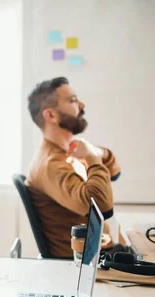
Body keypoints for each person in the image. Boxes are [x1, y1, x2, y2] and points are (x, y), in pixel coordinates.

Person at [26, 77, 121, 258]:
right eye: (72, 100)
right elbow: (101, 206)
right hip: (88, 266)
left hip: (99, 256)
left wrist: (95, 152)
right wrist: (91, 156)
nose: (82, 105)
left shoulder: (67, 153)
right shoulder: (51, 165)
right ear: (51, 115)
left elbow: (115, 172)